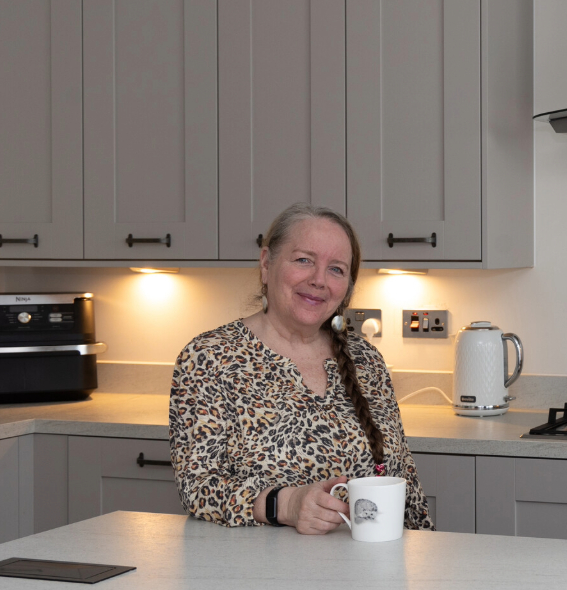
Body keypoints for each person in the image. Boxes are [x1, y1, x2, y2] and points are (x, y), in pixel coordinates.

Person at [170, 204, 434, 534]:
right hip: (260, 574)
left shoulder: (366, 360)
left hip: (370, 571)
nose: (319, 280)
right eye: (303, 260)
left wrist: (422, 557)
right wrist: (287, 504)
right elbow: (197, 488)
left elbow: (403, 476)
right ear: (266, 264)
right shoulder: (209, 358)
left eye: (336, 269)